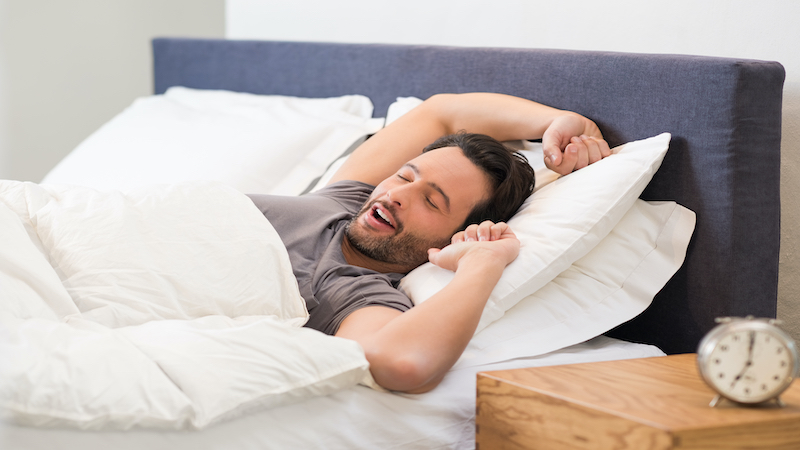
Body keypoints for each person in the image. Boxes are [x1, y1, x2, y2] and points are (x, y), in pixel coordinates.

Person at [248, 92, 611, 393]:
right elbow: (441, 113)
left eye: (432, 201)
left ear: (453, 235)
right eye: (405, 175)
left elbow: (401, 363)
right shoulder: (347, 197)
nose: (398, 195)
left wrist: (482, 262)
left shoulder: (354, 290)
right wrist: (561, 122)